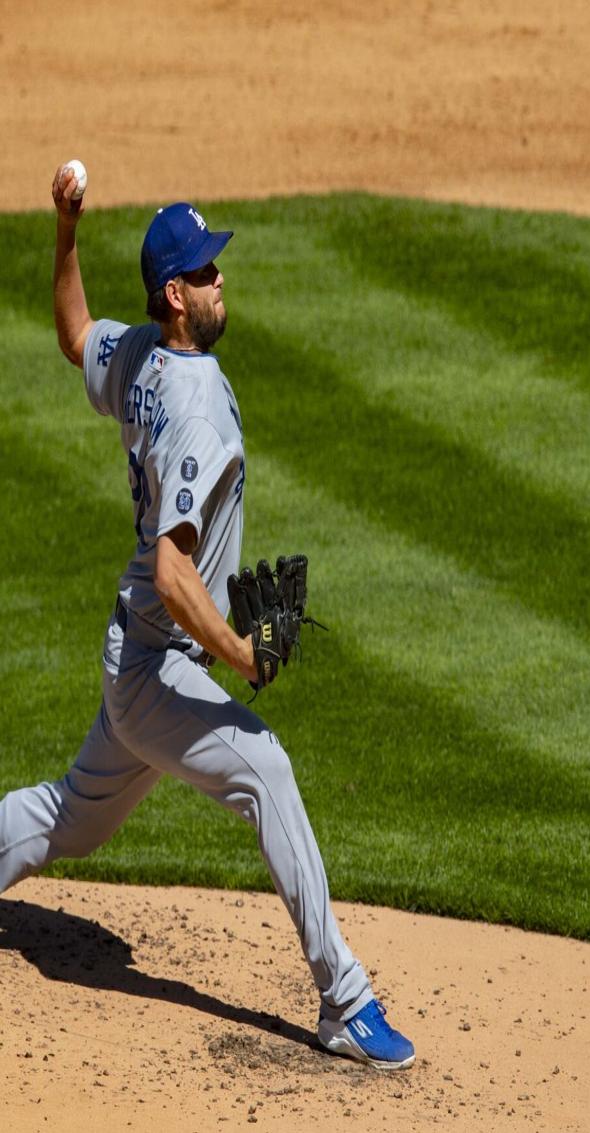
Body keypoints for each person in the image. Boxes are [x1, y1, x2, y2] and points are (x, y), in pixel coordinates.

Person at [0, 166, 414, 1071]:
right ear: (175, 295)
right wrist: (235, 651)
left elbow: (75, 335)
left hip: (134, 650)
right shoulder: (189, 406)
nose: (223, 279)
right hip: (158, 662)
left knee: (73, 817)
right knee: (266, 767)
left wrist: (64, 233)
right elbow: (171, 565)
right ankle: (344, 1001)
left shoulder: (144, 355)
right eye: (207, 271)